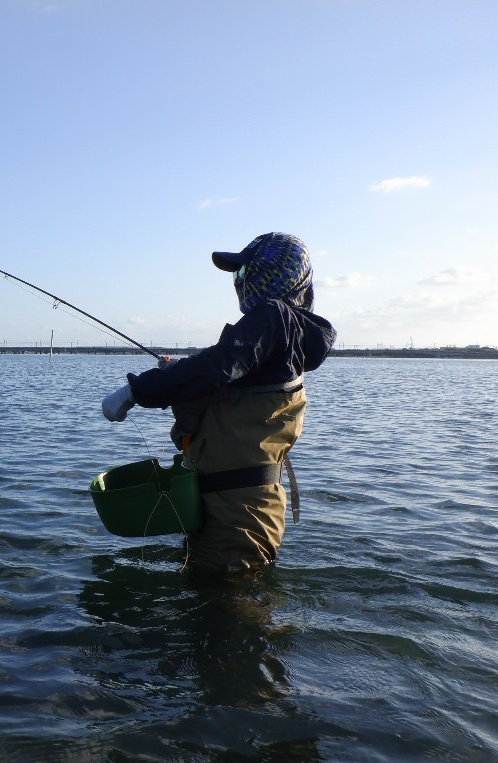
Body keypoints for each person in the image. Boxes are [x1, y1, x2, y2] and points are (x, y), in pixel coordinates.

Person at [101, 232, 336, 577]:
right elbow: (226, 374)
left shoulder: (274, 315)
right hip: (235, 507)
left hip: (237, 516)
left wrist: (139, 390)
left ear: (275, 275)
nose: (238, 281)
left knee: (227, 616)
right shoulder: (284, 335)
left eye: (244, 272)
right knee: (214, 606)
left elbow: (219, 365)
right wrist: (179, 376)